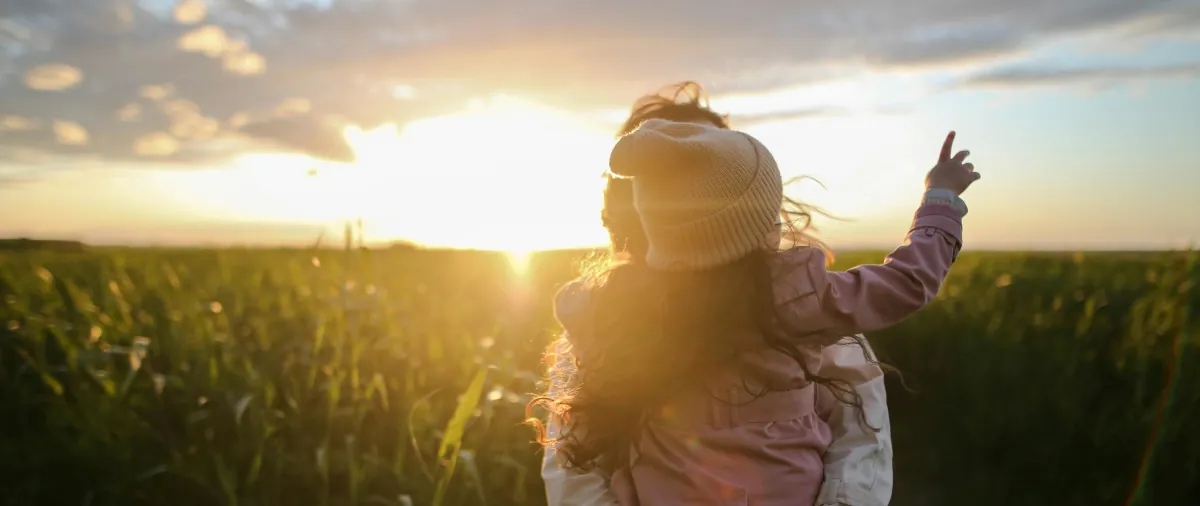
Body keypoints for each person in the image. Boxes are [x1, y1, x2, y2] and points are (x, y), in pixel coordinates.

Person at [533, 83, 979, 505]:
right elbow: (907, 282)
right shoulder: (803, 299)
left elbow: (859, 448)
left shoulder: (606, 311)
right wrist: (939, 198)